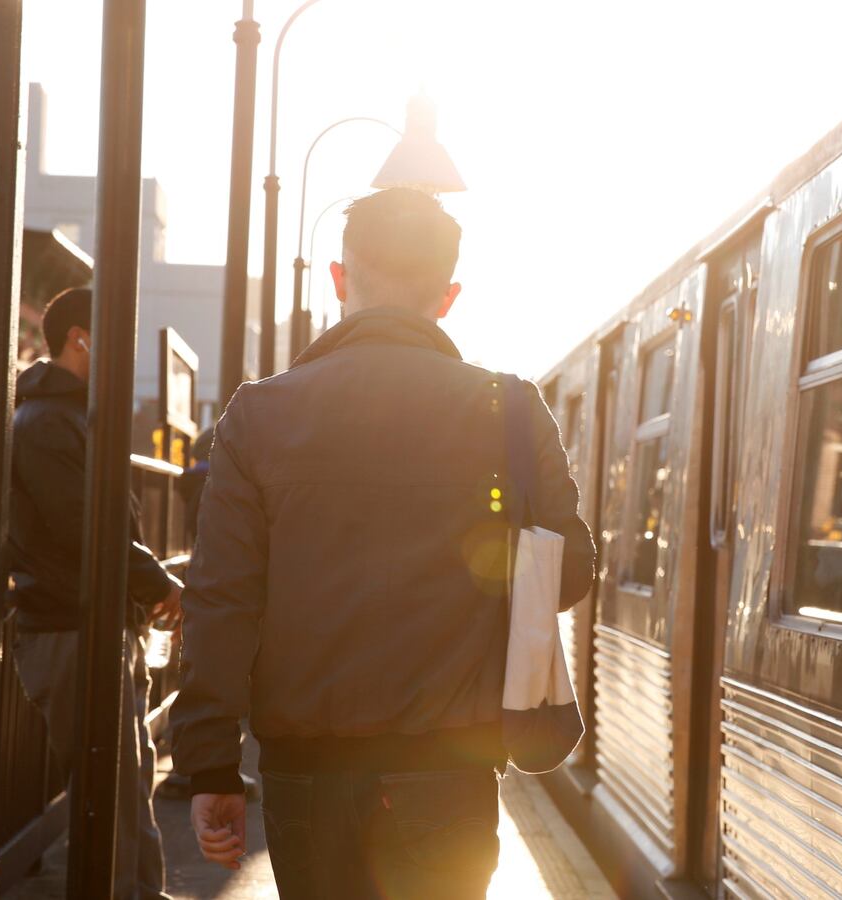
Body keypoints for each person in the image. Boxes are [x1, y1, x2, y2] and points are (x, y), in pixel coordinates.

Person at [172, 188, 595, 898]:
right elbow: (571, 571)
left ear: (340, 279)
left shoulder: (258, 414)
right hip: (450, 772)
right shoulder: (512, 410)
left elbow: (221, 600)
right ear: (448, 295)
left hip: (306, 774)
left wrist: (211, 766)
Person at [5, 287, 180, 900]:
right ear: (80, 338)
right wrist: (157, 582)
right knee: (112, 785)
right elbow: (86, 526)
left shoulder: (66, 416)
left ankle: (139, 892)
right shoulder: (49, 422)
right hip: (71, 627)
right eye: (115, 340)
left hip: (92, 624)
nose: (125, 358)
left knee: (126, 780)